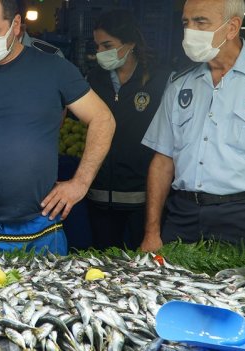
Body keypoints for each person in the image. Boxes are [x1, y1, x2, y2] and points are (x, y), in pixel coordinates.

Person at [0, 0, 115, 255]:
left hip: (40, 226)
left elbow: (103, 119)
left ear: (15, 25)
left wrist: (80, 183)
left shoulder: (55, 69)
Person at [140, 0, 245, 253]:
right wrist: (151, 231)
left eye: (201, 22)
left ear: (232, 27)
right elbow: (162, 161)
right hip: (184, 214)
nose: (190, 31)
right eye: (186, 23)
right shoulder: (180, 84)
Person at [86, 11, 171, 250]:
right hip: (99, 196)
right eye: (98, 46)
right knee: (102, 266)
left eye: (108, 45)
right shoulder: (94, 79)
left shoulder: (159, 81)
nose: (101, 52)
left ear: (130, 44)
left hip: (143, 198)